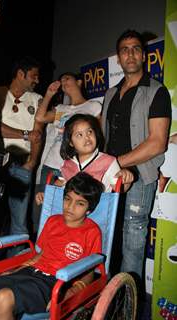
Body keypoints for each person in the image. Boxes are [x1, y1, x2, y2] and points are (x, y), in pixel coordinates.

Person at [0, 172, 104, 319]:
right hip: (32, 272)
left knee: (3, 299)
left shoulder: (91, 231)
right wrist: (17, 270)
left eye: (80, 203)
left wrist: (72, 291)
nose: (70, 207)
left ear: (89, 209)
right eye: (67, 199)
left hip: (56, 282)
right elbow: (41, 255)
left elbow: (90, 270)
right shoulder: (53, 221)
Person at [101, 29, 172, 279]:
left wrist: (114, 163)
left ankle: (126, 306)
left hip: (140, 177)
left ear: (144, 56)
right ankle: (103, 298)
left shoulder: (156, 91)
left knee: (132, 241)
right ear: (118, 58)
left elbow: (157, 143)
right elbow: (103, 137)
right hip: (108, 179)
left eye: (135, 49)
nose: (130, 54)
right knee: (104, 237)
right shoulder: (110, 93)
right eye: (124, 49)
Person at [0, 56, 44, 239]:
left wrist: (32, 163)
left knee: (19, 223)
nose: (37, 80)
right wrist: (25, 134)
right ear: (21, 74)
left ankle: (18, 264)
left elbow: (39, 134)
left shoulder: (37, 99)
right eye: (34, 76)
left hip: (22, 166)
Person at [35, 114, 134, 205]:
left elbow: (120, 188)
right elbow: (59, 185)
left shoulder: (108, 161)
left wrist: (126, 179)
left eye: (89, 132)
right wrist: (46, 195)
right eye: (79, 135)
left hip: (97, 218)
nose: (87, 137)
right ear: (71, 142)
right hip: (71, 218)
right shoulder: (68, 163)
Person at [35, 72, 102, 184]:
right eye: (61, 82)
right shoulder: (61, 108)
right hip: (51, 164)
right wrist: (49, 94)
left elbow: (99, 136)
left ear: (79, 82)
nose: (63, 82)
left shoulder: (93, 106)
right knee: (45, 200)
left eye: (67, 78)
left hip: (74, 167)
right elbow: (40, 118)